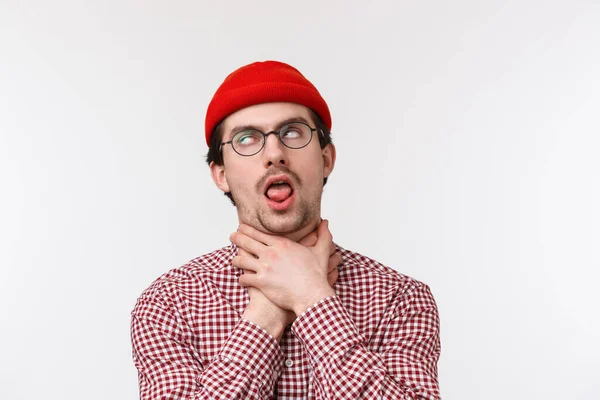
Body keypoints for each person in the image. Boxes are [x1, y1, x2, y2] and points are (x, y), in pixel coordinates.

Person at [130, 60, 441, 399]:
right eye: (246, 139)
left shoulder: (401, 299)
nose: (274, 153)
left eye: (292, 132)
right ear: (220, 174)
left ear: (325, 159)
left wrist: (310, 296)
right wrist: (265, 313)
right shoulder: (168, 304)